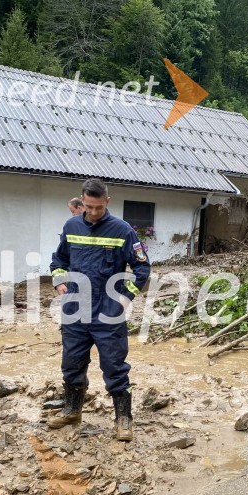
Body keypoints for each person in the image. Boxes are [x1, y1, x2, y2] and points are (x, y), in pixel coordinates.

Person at [49, 179, 151, 441]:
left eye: (98, 207)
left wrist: (126, 297)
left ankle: (123, 420)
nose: (93, 212)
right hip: (75, 309)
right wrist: (59, 280)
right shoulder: (71, 226)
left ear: (107, 201)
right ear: (81, 202)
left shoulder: (123, 230)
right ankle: (72, 410)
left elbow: (142, 269)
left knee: (115, 366)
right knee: (71, 363)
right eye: (88, 206)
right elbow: (59, 259)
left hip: (108, 311)